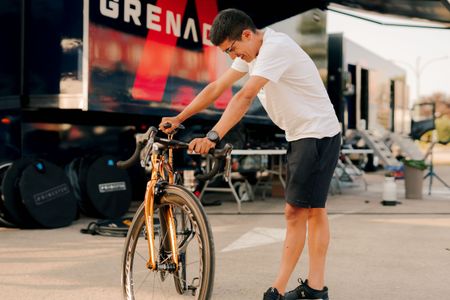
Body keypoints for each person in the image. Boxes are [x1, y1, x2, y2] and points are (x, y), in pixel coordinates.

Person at [159, 8, 341, 300]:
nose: (234, 57)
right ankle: (316, 290)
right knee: (310, 210)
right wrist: (179, 118)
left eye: (232, 50)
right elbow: (217, 87)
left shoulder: (275, 47)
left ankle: (278, 290)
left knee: (297, 211)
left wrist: (213, 135)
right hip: (301, 134)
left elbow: (243, 97)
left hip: (317, 134)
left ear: (247, 34)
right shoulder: (252, 53)